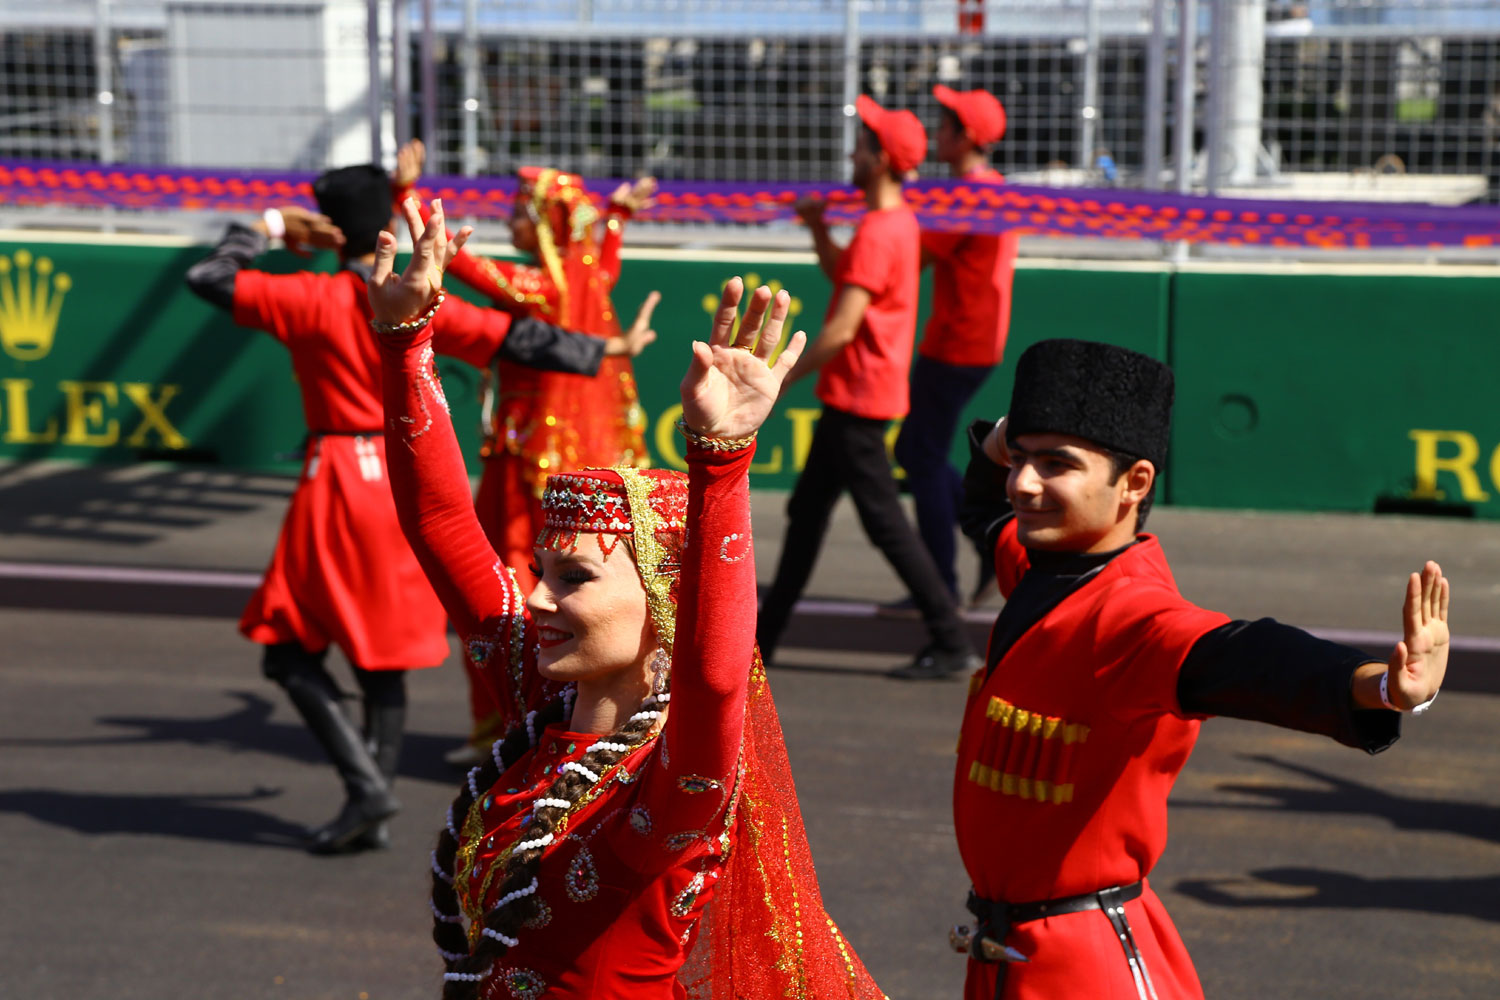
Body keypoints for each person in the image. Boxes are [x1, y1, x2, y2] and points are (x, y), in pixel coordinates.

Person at [367, 197, 885, 998]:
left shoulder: (674, 789)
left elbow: (714, 680)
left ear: (666, 604)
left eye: (572, 578)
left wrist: (723, 461)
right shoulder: (538, 701)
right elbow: (440, 522)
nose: (534, 597)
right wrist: (407, 347)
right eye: (541, 569)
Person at [950, 337, 1450, 999]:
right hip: (1004, 955)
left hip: (1081, 967)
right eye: (1019, 460)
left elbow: (1244, 656)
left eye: (1055, 464)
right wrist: (1030, 419)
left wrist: (1381, 686)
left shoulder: (1130, 615)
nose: (1023, 482)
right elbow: (982, 506)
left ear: (1134, 484)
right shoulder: (1049, 570)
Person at [184, 165, 655, 855]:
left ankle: (368, 785)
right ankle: (371, 783)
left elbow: (210, 278)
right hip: (405, 475)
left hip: (337, 479)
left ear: (330, 227)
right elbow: (516, 338)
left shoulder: (310, 296)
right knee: (382, 656)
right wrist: (608, 348)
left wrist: (265, 229)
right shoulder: (421, 296)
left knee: (286, 649)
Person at [394, 141, 657, 765]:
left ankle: (507, 727)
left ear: (543, 224)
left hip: (526, 467)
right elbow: (602, 245)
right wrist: (616, 212)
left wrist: (403, 200)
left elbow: (465, 269)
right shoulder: (591, 273)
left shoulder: (541, 287)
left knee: (506, 593)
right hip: (584, 465)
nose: (510, 220)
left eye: (519, 211)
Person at [756, 94, 978, 678]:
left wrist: (775, 381)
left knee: (884, 525)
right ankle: (760, 643)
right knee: (807, 515)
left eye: (861, 146)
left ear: (879, 161)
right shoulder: (893, 225)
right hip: (854, 398)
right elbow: (846, 279)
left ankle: (951, 641)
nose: (851, 154)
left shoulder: (882, 232)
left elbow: (841, 329)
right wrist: (817, 228)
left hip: (858, 400)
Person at [888, 85, 1019, 623]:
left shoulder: (970, 195)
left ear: (965, 137)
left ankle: (943, 582)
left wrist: (894, 196)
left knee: (918, 457)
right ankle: (981, 544)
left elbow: (911, 253)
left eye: (942, 127)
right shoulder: (985, 187)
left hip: (957, 343)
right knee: (917, 453)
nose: (934, 135)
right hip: (968, 340)